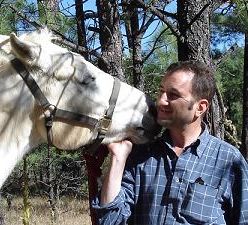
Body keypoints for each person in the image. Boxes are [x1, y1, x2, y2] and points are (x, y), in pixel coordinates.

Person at [92, 60, 248, 224]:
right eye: (161, 92)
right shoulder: (140, 155)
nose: (160, 101)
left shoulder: (229, 160)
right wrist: (118, 157)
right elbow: (109, 220)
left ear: (200, 107)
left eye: (173, 95)